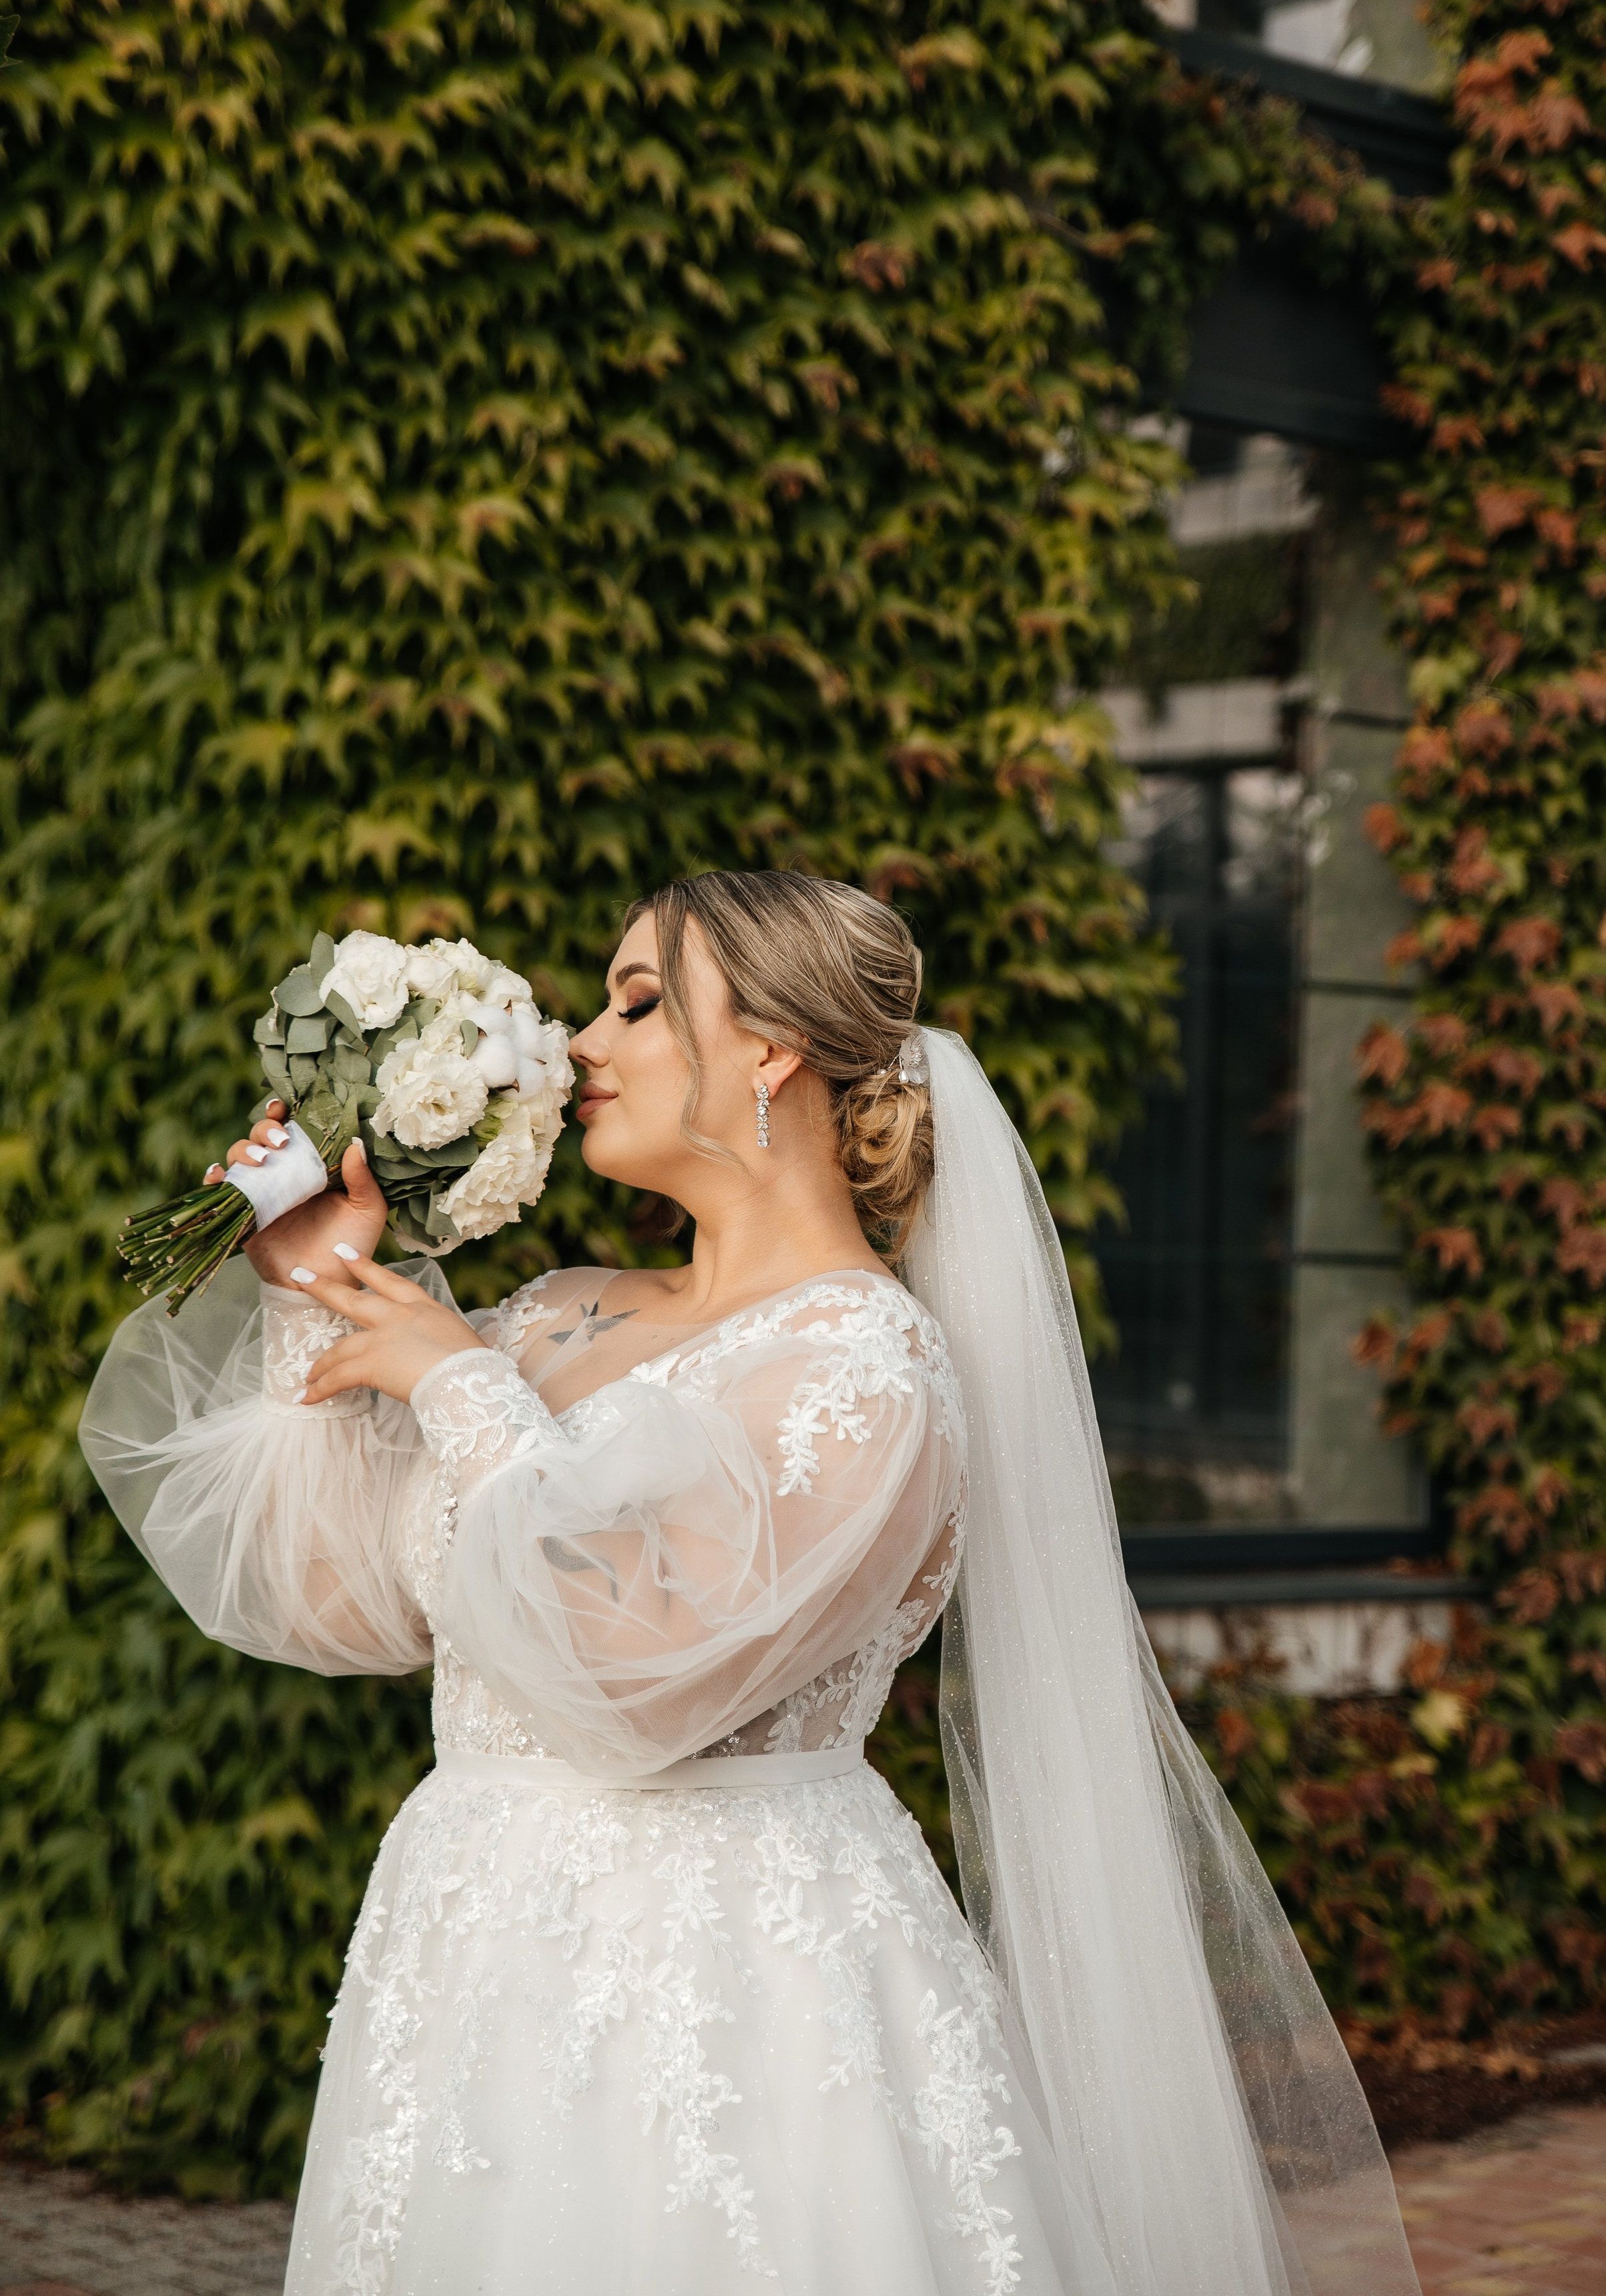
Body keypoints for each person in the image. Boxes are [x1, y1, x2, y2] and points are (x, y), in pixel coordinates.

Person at [81, 871, 1420, 2296]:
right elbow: (340, 1602)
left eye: (639, 1001)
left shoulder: (866, 1369)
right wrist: (314, 1292)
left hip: (734, 1988)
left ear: (774, 1046)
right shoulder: (548, 1313)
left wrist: (458, 1385)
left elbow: (628, 1691)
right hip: (466, 1953)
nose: (583, 1041)